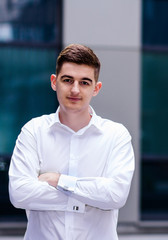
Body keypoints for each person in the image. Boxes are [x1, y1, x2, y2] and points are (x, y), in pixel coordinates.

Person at [8, 44, 135, 239]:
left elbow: (116, 195)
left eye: (85, 82)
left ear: (96, 88)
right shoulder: (33, 131)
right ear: (54, 82)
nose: (75, 89)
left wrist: (59, 181)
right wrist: (88, 198)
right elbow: (19, 193)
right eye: (68, 80)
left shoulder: (116, 136)